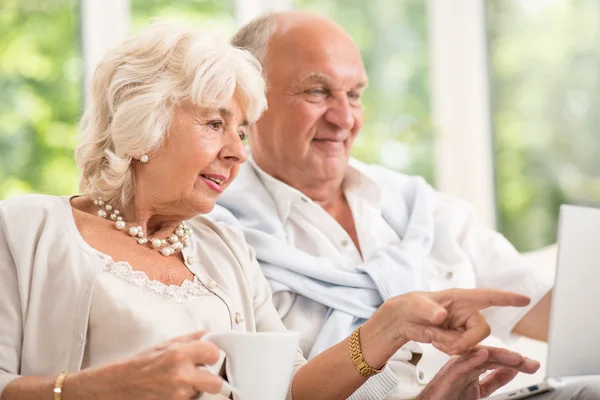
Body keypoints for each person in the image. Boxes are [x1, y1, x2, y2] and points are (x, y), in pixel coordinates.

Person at [0, 22, 541, 400]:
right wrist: (98, 391)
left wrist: (393, 325)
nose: (237, 150)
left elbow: (289, 391)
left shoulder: (221, 247)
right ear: (142, 126)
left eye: (240, 130)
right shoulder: (28, 229)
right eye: (214, 124)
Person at [207, 11, 600, 399]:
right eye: (317, 92)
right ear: (248, 101)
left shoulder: (416, 206)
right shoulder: (219, 236)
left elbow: (547, 308)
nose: (345, 118)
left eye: (355, 95)